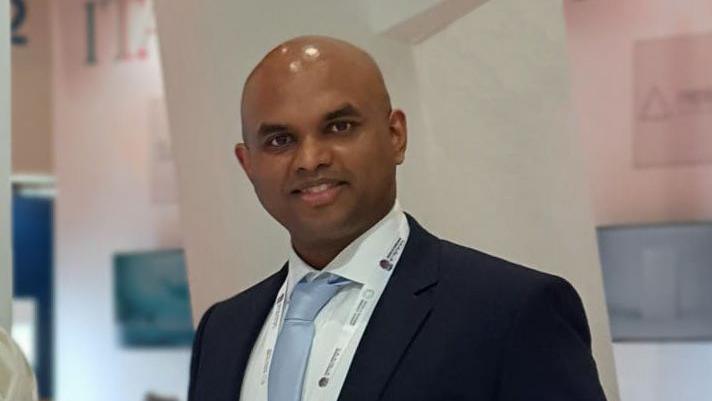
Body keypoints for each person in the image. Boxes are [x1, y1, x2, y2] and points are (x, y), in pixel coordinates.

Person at [188, 35, 607, 401]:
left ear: (395, 136)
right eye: (281, 140)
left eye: (339, 127)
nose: (310, 159)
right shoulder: (222, 332)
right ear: (248, 164)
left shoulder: (510, 312)